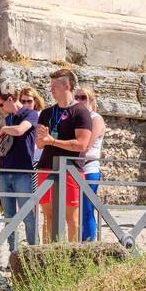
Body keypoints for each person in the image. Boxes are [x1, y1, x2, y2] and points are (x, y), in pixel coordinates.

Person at [35, 69, 93, 242]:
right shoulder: (46, 113)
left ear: (67, 86)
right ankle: (47, 258)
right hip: (47, 167)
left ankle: (71, 260)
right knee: (48, 217)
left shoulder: (81, 112)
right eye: (50, 85)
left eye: (55, 86)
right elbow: (39, 144)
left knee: (72, 218)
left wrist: (51, 141)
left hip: (71, 169)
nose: (51, 89)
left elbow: (82, 144)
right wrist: (44, 140)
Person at [0, 83, 41, 249]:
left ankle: (34, 253)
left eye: (1, 104)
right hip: (5, 171)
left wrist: (5, 129)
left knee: (28, 215)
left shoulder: (31, 114)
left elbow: (21, 130)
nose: (0, 108)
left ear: (9, 99)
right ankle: (13, 253)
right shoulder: (9, 118)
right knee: (8, 216)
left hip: (22, 171)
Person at [75, 86, 106, 242]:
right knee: (74, 210)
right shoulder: (76, 118)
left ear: (91, 100)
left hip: (88, 167)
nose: (79, 101)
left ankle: (88, 244)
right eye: (77, 97)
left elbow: (86, 145)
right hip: (74, 167)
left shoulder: (96, 119)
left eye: (83, 98)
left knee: (87, 209)